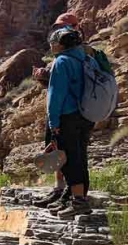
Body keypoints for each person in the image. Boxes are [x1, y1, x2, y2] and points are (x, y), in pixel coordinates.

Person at [32, 13, 94, 210]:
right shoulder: (85, 57)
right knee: (78, 157)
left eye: (54, 41)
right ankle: (75, 197)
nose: (51, 44)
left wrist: (53, 123)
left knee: (68, 158)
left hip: (66, 116)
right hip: (84, 114)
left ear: (61, 43)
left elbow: (56, 95)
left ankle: (77, 201)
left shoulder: (61, 62)